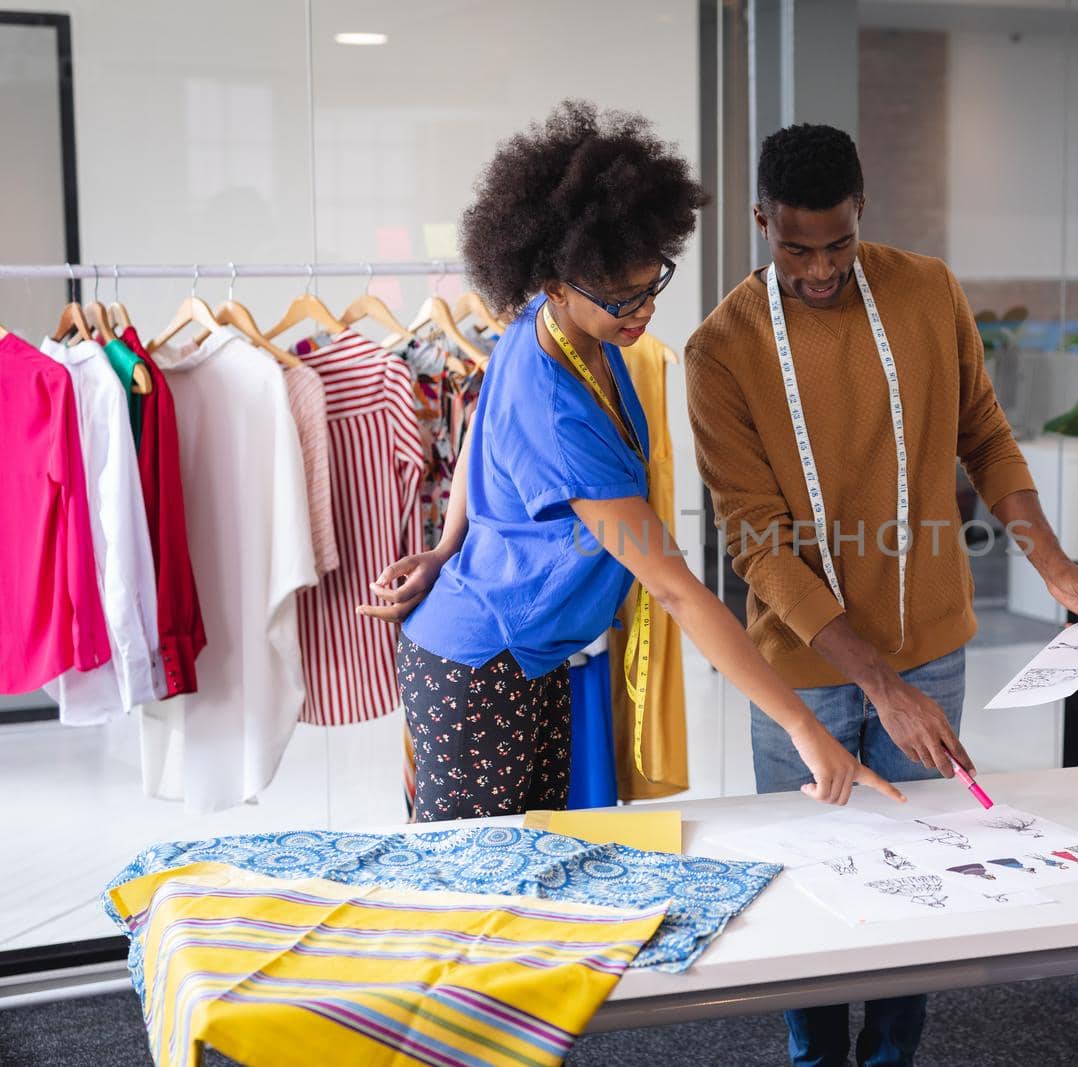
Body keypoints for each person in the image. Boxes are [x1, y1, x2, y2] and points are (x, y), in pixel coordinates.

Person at [684, 123, 1078, 1067]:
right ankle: (814, 1060)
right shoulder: (721, 347)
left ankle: (893, 1059)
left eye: (838, 242)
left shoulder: (927, 289)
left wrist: (1050, 563)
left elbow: (987, 434)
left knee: (923, 885)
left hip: (931, 648)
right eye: (796, 247)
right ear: (762, 222)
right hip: (803, 672)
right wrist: (881, 684)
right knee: (807, 886)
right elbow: (756, 543)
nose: (820, 267)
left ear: (862, 211)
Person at [359, 101, 904, 821]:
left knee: (541, 873)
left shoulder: (554, 332)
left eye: (654, 283)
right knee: (476, 903)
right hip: (480, 670)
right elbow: (677, 592)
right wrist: (806, 728)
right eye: (621, 299)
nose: (643, 310)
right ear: (552, 280)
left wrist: (447, 544)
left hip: (529, 656)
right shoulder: (560, 415)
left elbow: (478, 434)